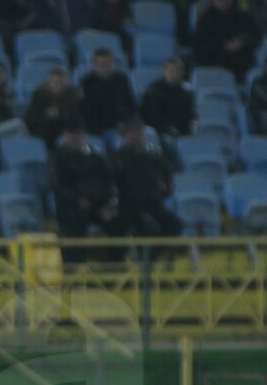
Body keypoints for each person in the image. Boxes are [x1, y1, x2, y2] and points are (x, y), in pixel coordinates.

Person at [51, 116, 122, 259]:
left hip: (98, 205)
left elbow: (110, 181)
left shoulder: (96, 157)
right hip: (71, 207)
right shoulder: (57, 158)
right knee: (74, 224)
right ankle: (75, 266)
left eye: (78, 134)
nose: (75, 138)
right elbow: (58, 186)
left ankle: (113, 265)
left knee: (119, 221)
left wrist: (111, 200)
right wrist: (78, 200)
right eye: (72, 134)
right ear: (65, 136)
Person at [110, 117, 182, 237]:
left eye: (138, 132)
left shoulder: (155, 156)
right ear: (125, 136)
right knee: (145, 225)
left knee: (174, 224)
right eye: (132, 132)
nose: (136, 136)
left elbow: (167, 175)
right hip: (129, 205)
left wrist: (164, 191)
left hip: (153, 203)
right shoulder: (118, 158)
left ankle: (160, 248)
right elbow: (112, 182)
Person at [194, 0, 262, 83]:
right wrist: (224, 47)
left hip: (242, 67)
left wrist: (241, 41)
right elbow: (200, 49)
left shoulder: (242, 17)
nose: (225, 1)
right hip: (215, 68)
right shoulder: (204, 21)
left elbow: (256, 36)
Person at [80, 48, 136, 139]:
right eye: (101, 64)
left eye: (108, 63)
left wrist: (126, 123)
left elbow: (130, 105)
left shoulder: (122, 80)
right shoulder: (87, 82)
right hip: (97, 127)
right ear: (94, 65)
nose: (104, 66)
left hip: (123, 124)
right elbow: (88, 110)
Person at [23, 65, 81, 148]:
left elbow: (76, 118)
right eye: (54, 82)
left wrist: (59, 114)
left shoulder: (73, 96)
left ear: (67, 82)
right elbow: (29, 118)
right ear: (49, 82)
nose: (58, 85)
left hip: (63, 133)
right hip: (40, 132)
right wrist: (45, 115)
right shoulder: (39, 95)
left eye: (61, 83)